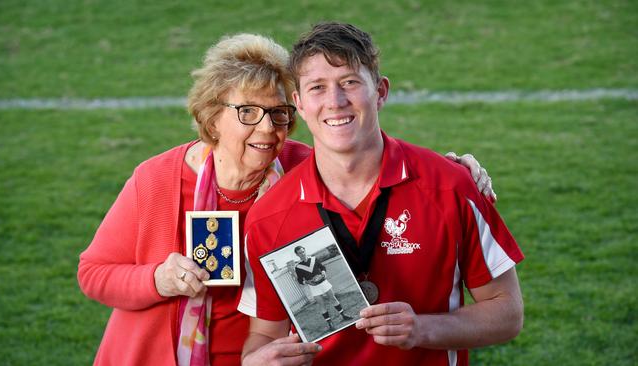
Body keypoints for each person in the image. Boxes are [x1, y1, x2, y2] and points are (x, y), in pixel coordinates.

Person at [77, 33, 494, 365]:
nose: (267, 129)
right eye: (248, 113)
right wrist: (158, 279)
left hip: (261, 354)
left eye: (279, 114)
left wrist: (455, 167)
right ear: (212, 116)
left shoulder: (299, 166)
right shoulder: (158, 180)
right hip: (167, 355)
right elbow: (93, 272)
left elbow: (365, 165)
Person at [238, 22, 524, 366]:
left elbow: (507, 312)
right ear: (298, 102)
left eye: (350, 82)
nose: (336, 101)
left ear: (381, 91)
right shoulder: (268, 217)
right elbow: (265, 334)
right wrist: (258, 360)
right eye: (318, 87)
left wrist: (422, 329)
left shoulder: (450, 186)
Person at [294, 245, 353, 331]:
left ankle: (344, 315)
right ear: (297, 255)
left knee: (333, 298)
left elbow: (322, 267)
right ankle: (330, 323)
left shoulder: (313, 259)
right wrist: (307, 282)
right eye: (299, 253)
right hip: (313, 286)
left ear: (305, 251)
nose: (302, 254)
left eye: (303, 251)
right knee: (322, 304)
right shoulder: (298, 266)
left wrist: (323, 272)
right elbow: (300, 280)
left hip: (323, 282)